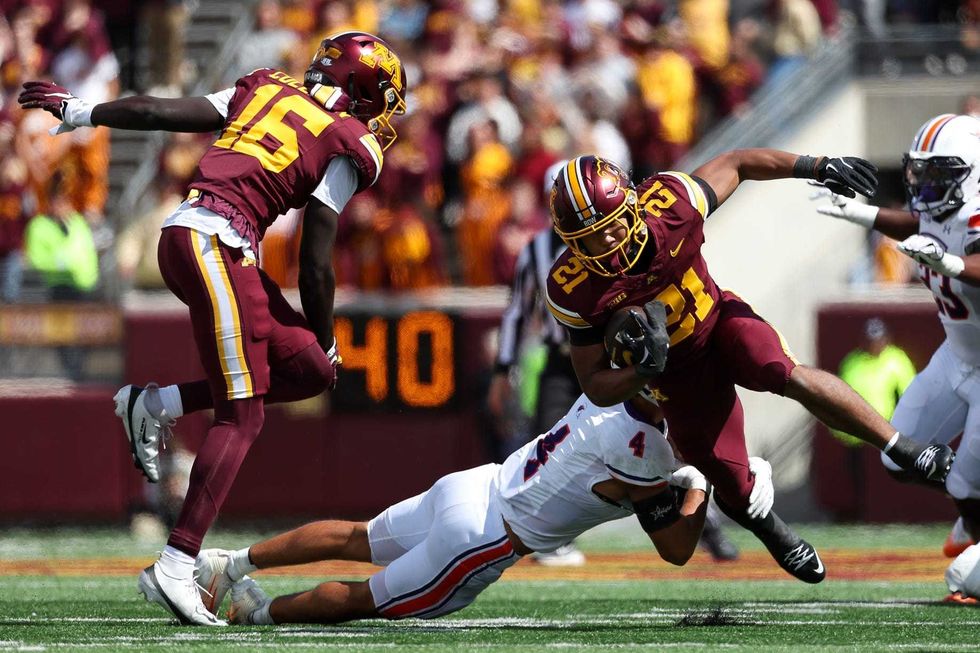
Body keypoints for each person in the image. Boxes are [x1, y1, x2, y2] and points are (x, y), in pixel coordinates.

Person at [19, 30, 407, 626]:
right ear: (360, 90)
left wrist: (81, 112)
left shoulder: (268, 86)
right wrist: (330, 334)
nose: (380, 112)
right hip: (217, 243)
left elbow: (164, 111)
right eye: (378, 96)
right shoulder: (348, 140)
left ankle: (159, 404)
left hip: (191, 238)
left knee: (307, 369)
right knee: (244, 413)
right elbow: (316, 260)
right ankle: (177, 563)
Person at [545, 151, 955, 584]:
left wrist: (814, 166)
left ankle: (903, 448)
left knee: (781, 370)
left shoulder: (672, 205)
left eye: (609, 227)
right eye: (589, 238)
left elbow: (739, 163)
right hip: (675, 378)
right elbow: (594, 383)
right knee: (735, 487)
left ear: (630, 207)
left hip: (719, 321)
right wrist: (642, 373)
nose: (605, 243)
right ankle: (774, 532)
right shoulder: (572, 288)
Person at [192, 393, 776, 624]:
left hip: (476, 484)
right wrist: (699, 486)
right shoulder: (648, 454)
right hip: (486, 535)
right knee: (368, 598)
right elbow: (676, 550)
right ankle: (254, 617)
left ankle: (230, 563)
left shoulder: (604, 390)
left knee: (356, 536)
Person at [489, 161, 738, 564]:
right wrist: (503, 369)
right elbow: (518, 310)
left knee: (670, 440)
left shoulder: (626, 234)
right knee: (552, 444)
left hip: (622, 358)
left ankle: (706, 524)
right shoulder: (537, 252)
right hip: (564, 361)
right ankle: (554, 533)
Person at [810, 114, 980, 570]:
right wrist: (862, 213)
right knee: (900, 457)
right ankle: (971, 507)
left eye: (938, 172)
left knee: (966, 490)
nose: (925, 182)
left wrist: (954, 265)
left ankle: (972, 522)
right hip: (956, 356)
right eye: (920, 170)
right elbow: (916, 223)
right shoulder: (939, 209)